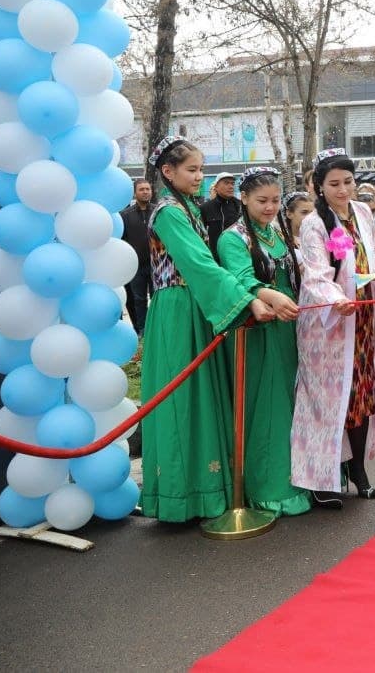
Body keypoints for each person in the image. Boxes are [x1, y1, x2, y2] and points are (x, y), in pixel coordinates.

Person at [139, 137, 275, 522]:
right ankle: (182, 496)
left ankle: (208, 492)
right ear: (168, 172)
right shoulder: (168, 212)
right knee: (183, 402)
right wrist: (245, 299)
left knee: (203, 398)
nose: (200, 177)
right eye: (192, 170)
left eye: (201, 170)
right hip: (178, 309)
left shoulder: (189, 208)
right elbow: (198, 263)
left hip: (199, 305)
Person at [291, 149, 375, 507]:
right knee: (329, 401)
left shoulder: (362, 212)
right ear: (319, 185)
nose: (343, 189)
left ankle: (359, 473)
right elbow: (316, 274)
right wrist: (336, 300)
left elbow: (372, 258)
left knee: (360, 398)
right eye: (334, 184)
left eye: (348, 181)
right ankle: (321, 478)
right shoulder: (315, 223)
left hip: (361, 321)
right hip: (329, 327)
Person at [215, 166, 309, 517]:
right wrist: (270, 296)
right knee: (264, 405)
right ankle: (268, 488)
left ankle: (294, 476)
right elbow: (239, 279)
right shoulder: (232, 237)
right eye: (261, 201)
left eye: (274, 201)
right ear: (243, 198)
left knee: (286, 401)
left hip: (287, 326)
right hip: (258, 327)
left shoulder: (276, 231)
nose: (269, 208)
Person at [120, 178, 154, 335]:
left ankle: (157, 327)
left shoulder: (158, 211)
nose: (146, 192)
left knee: (158, 298)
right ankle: (143, 330)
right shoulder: (125, 215)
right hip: (135, 266)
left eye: (148, 189)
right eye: (142, 189)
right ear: (135, 193)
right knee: (139, 300)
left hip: (157, 265)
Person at [201, 172, 241, 258]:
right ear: (216, 186)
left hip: (237, 255)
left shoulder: (240, 206)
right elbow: (201, 235)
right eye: (226, 183)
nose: (231, 186)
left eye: (232, 184)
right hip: (215, 257)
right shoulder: (206, 207)